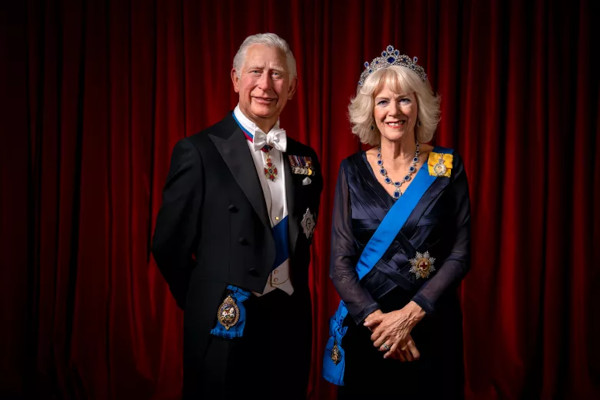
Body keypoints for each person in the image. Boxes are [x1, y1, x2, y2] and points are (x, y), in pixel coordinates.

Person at [152, 33, 322, 399]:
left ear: (292, 88)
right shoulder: (197, 151)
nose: (265, 85)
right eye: (255, 72)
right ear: (235, 79)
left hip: (288, 325)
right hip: (224, 324)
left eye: (277, 75)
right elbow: (168, 246)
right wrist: (206, 299)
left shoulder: (305, 159)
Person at [324, 45, 470, 399]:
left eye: (404, 100)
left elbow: (461, 253)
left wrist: (409, 315)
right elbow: (339, 263)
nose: (394, 111)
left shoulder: (446, 166)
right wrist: (383, 324)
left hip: (431, 323)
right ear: (370, 110)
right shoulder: (351, 170)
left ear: (418, 106)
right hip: (370, 331)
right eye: (383, 101)